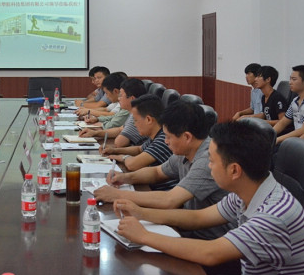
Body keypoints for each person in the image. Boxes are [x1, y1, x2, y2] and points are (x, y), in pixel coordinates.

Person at [113, 122, 304, 275]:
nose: (208, 166)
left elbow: (210, 253)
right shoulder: (249, 191)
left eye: (212, 161)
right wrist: (140, 212)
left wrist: (144, 236)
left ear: (234, 170)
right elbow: (198, 218)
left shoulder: (274, 216)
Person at [95, 99, 231, 241]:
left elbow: (169, 200)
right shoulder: (185, 151)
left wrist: (117, 195)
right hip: (189, 229)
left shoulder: (207, 160)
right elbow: (157, 172)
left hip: (209, 238)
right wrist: (125, 178)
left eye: (168, 137)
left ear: (187, 137)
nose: (165, 141)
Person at [106, 94, 176, 190]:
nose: (134, 124)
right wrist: (114, 151)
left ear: (148, 120)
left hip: (162, 191)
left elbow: (133, 165)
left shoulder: (164, 139)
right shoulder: (156, 134)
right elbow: (139, 149)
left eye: (135, 120)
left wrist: (122, 157)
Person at [79, 78, 145, 140]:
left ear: (132, 99)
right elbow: (118, 127)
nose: (119, 98)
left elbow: (120, 141)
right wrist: (96, 130)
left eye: (121, 95)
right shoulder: (130, 111)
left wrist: (100, 126)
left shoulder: (136, 115)